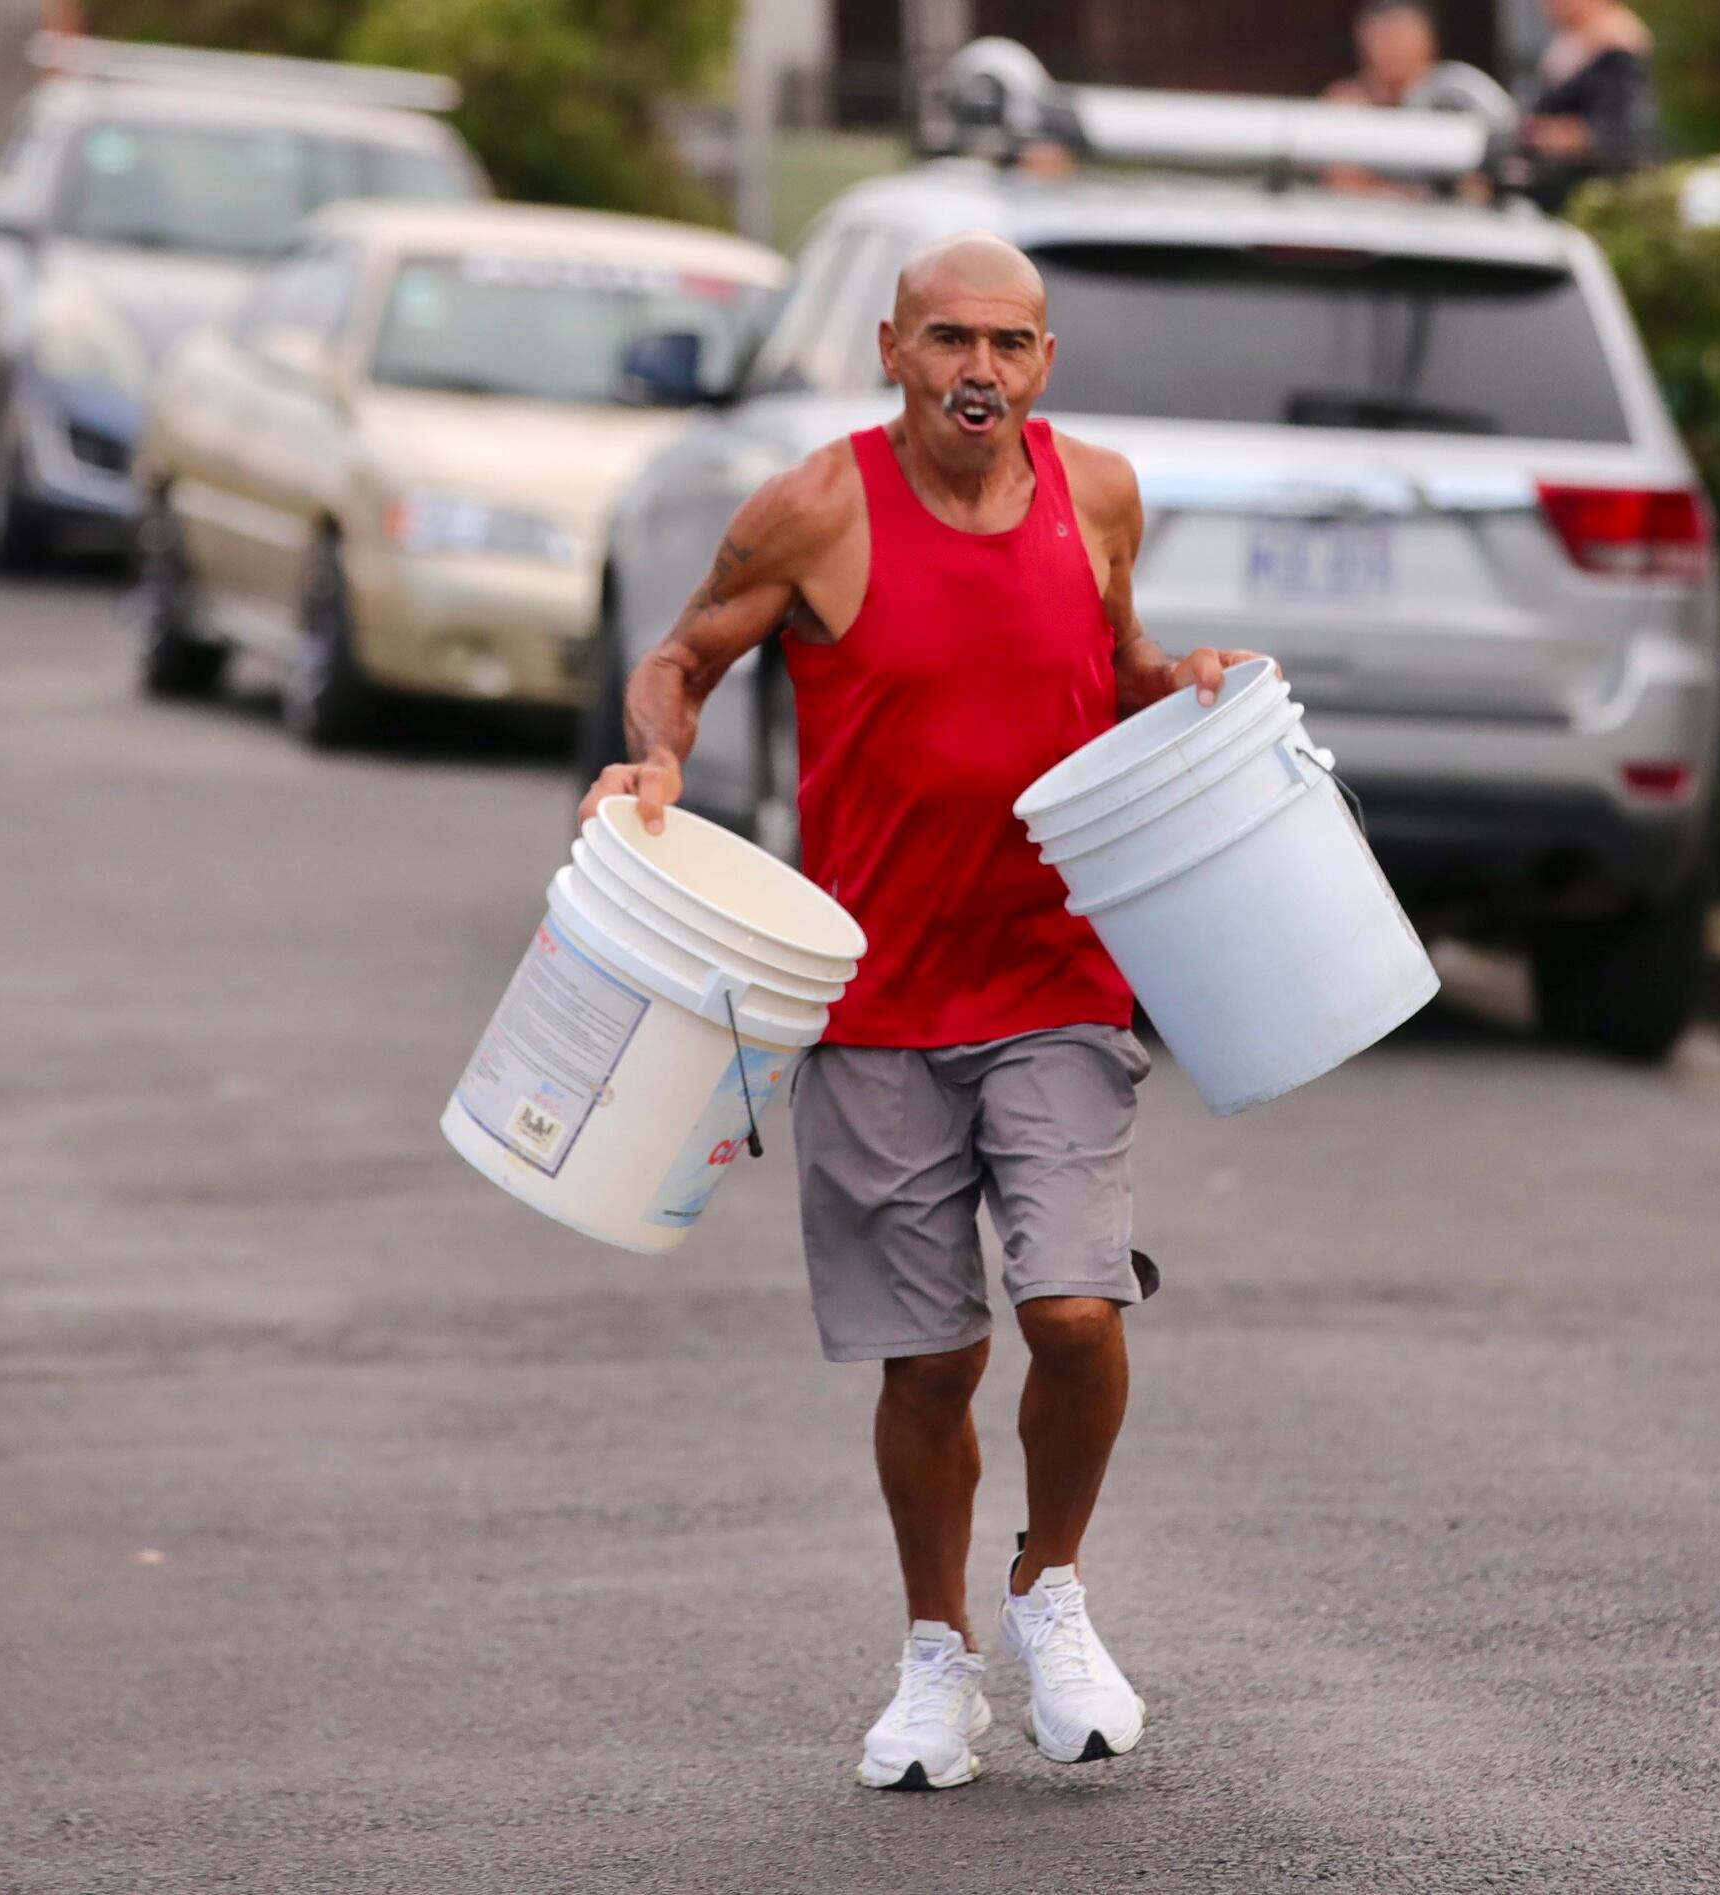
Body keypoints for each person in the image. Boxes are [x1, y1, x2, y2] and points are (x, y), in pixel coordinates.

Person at [580, 233, 1262, 1792]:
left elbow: (1115, 658)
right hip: (877, 993)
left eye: (1009, 344)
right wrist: (659, 756)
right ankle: (934, 1651)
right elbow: (681, 654)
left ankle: (1053, 1587)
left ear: (1044, 360)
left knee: (1076, 1307)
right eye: (948, 338)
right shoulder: (816, 508)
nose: (978, 369)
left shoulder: (1097, 493)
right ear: (890, 347)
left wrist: (1179, 684)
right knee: (932, 1361)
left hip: (1056, 975)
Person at [1518, 0, 1651, 213]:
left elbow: (1613, 132)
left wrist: (1549, 134)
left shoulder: (1615, 51)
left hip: (1594, 191)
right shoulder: (1571, 43)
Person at [1325, 0, 1439, 108]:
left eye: (1400, 37)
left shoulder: (1450, 97)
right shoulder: (1345, 103)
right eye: (1381, 39)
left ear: (1429, 43)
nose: (1393, 49)